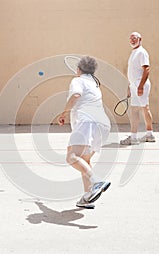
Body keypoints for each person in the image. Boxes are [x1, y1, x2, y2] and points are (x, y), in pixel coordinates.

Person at [58, 56, 111, 209]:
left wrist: (63, 113)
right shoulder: (94, 84)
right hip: (102, 125)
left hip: (87, 121)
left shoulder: (78, 80)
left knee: (72, 157)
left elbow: (76, 95)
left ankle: (96, 182)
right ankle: (88, 197)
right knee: (84, 161)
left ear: (78, 69)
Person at [120, 32, 155, 145]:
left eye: (134, 38)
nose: (132, 40)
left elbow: (147, 69)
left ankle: (137, 137)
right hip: (135, 85)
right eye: (130, 38)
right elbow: (133, 71)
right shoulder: (134, 52)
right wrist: (130, 87)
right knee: (140, 109)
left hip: (140, 85)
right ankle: (147, 135)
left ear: (140, 39)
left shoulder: (141, 52)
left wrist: (140, 86)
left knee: (141, 109)